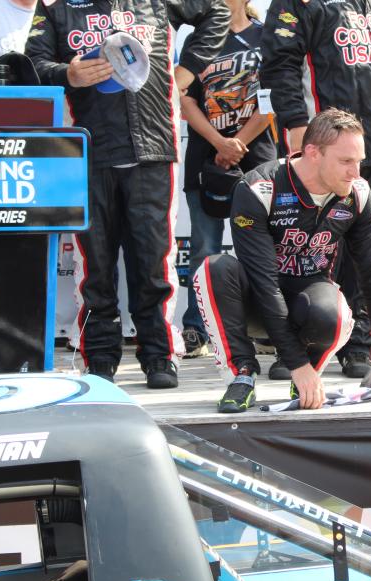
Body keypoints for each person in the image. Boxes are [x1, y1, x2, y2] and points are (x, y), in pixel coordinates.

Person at [26, 0, 229, 388]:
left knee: (153, 263)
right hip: (88, 152)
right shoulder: (55, 7)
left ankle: (159, 355)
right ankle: (99, 358)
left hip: (153, 149)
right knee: (96, 267)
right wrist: (67, 72)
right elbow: (32, 64)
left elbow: (217, 10)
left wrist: (185, 72)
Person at [259, 0, 371, 378]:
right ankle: (299, 346)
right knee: (302, 243)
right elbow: (280, 62)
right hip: (321, 147)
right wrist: (294, 122)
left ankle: (360, 345)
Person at [194, 108, 371, 413]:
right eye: (346, 161)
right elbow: (266, 285)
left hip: (308, 302)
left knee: (337, 310)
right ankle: (242, 375)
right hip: (257, 300)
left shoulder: (357, 193)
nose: (356, 172)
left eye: (359, 161)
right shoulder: (259, 188)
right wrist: (296, 362)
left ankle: (310, 374)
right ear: (312, 153)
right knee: (214, 269)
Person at [179, 0, 275, 361]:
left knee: (261, 247)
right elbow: (183, 98)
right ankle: (197, 328)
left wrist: (238, 144)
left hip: (257, 157)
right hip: (206, 156)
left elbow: (272, 100)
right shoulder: (197, 39)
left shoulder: (266, 36)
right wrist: (219, 143)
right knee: (204, 249)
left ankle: (264, 326)